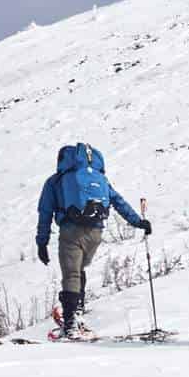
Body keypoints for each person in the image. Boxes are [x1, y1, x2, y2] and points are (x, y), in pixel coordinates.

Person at [34, 142, 150, 338]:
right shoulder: (101, 180)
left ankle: (70, 323)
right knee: (78, 271)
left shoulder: (55, 181)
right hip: (96, 233)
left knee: (71, 275)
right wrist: (139, 222)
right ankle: (76, 313)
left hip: (71, 231)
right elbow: (119, 202)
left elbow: (45, 212)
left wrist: (42, 242)